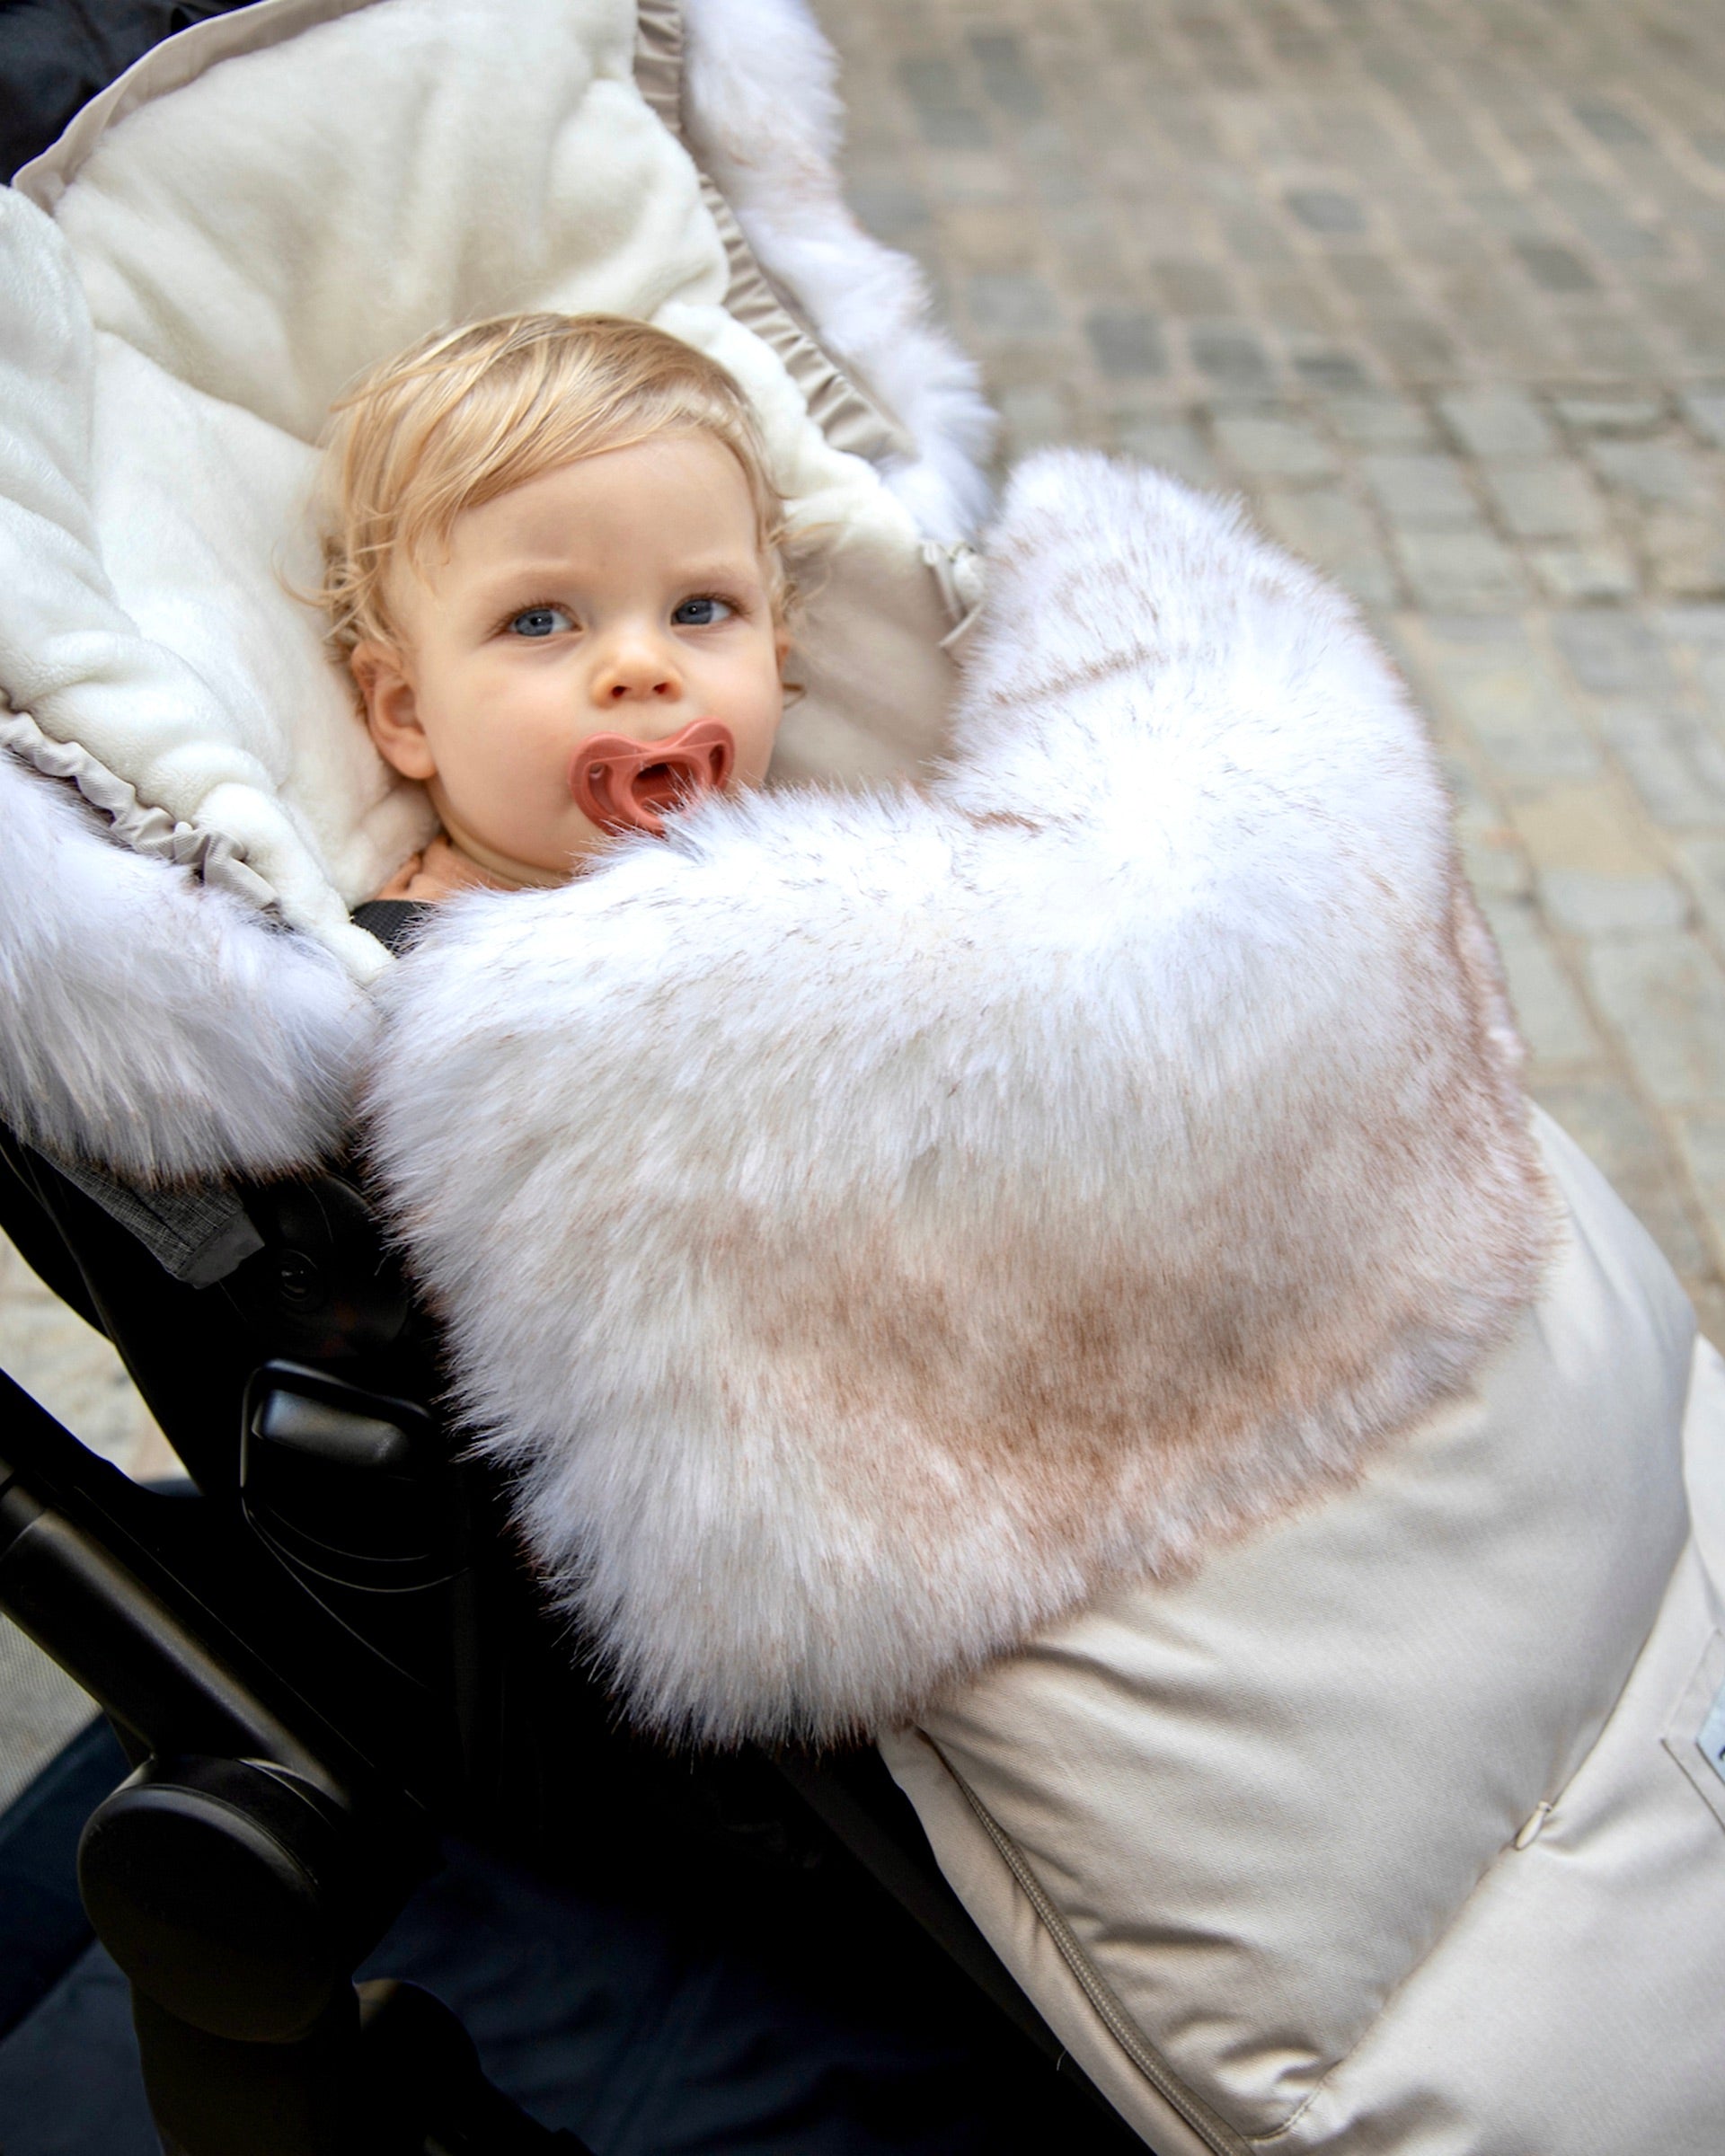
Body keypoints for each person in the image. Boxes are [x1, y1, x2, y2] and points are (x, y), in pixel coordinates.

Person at [315, 312, 794, 901]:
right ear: (409, 711)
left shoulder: (844, 881)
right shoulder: (403, 969)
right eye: (538, 622)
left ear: (778, 666)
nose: (642, 667)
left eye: (698, 611)